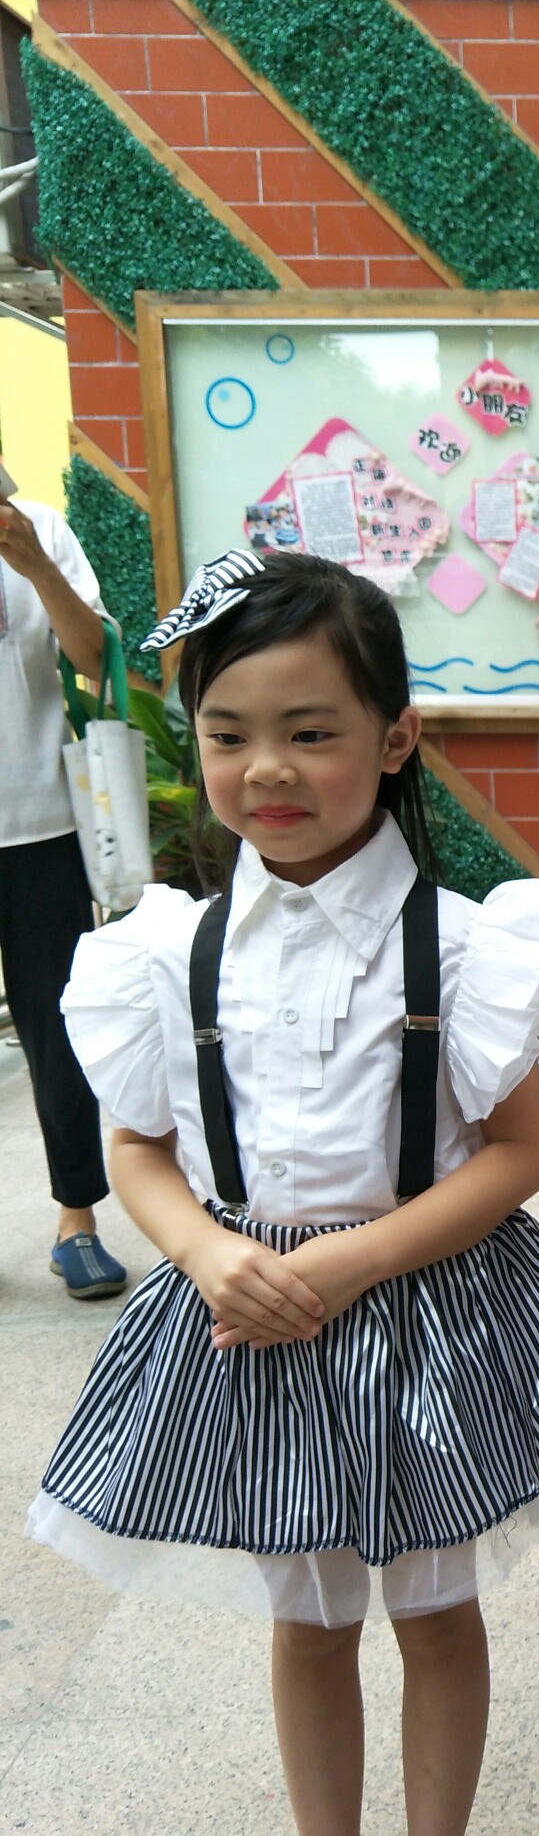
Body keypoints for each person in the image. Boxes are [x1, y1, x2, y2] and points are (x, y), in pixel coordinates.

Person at [25, 549, 539, 1836]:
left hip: (417, 1317)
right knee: (303, 1623)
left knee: (433, 1610)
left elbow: (519, 1154)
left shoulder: (465, 944)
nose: (268, 770)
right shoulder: (168, 950)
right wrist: (199, 1252)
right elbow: (139, 1151)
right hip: (247, 1318)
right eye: (229, 734)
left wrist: (356, 1262)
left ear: (395, 735)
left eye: (311, 731)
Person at [0, 477, 128, 1297]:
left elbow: (93, 660)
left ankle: (75, 1220)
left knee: (57, 1030)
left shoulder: (40, 528)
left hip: (41, 825)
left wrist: (36, 566)